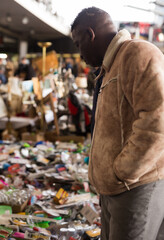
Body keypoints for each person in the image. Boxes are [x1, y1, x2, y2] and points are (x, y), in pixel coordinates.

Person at [71, 7, 164, 240]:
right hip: (117, 189)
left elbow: (158, 120)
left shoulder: (138, 54)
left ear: (90, 34)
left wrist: (123, 171)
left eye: (78, 42)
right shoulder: (111, 66)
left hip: (135, 187)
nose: (78, 52)